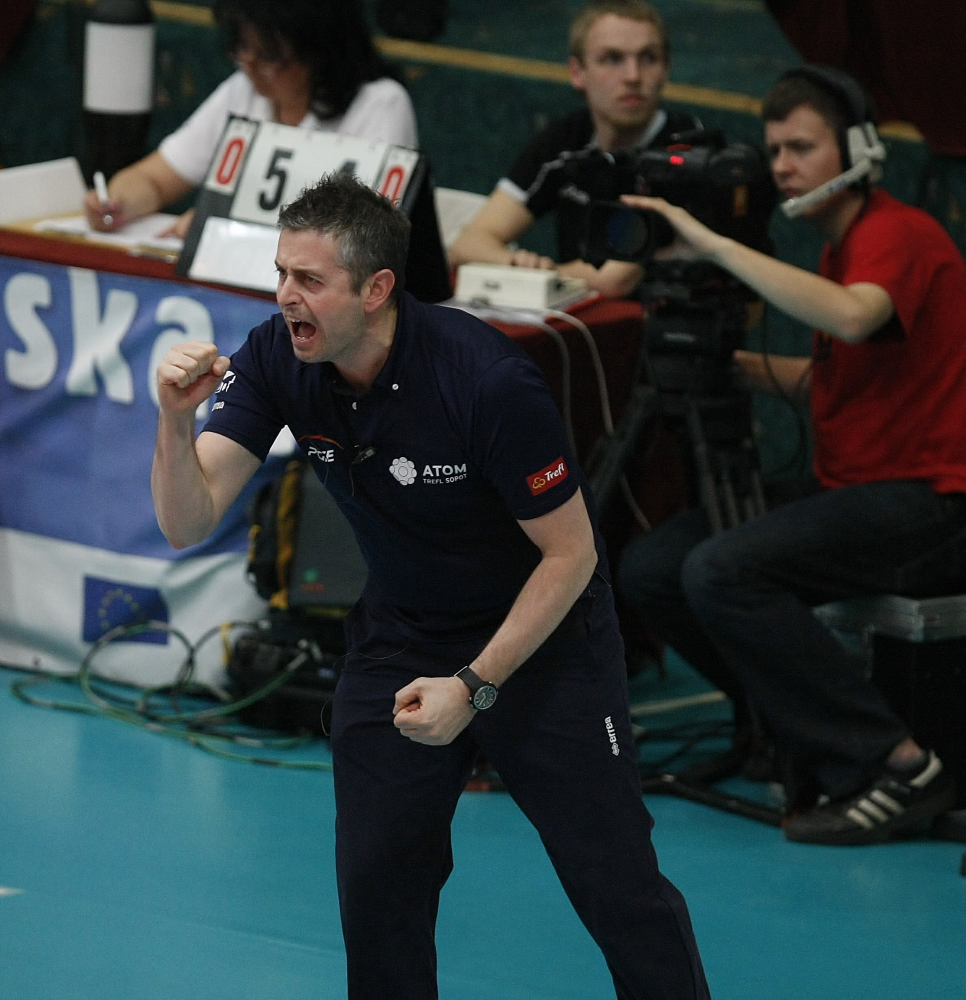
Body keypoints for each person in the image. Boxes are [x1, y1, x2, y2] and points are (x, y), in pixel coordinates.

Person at [151, 173, 711, 1000]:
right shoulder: (278, 355)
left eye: (309, 280)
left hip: (544, 638)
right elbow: (186, 521)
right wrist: (173, 419)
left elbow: (571, 556)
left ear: (376, 289)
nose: (285, 296)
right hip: (405, 632)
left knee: (615, 882)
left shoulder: (485, 380)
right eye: (281, 273)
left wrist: (475, 686)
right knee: (377, 882)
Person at [617, 65, 966, 845]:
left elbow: (852, 318)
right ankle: (783, 725)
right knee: (653, 567)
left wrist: (713, 245)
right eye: (774, 150)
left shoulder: (896, 232)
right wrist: (724, 362)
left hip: (934, 501)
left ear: (860, 150)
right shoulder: (840, 248)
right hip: (853, 487)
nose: (782, 166)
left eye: (802, 148)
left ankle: (896, 764)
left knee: (724, 570)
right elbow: (830, 377)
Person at [84, 0, 417, 239]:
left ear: (319, 49)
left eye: (270, 54)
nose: (251, 65)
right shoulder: (242, 91)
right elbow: (155, 178)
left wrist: (222, 225)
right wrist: (118, 202)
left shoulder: (380, 105)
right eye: (242, 47)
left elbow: (366, 236)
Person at [448, 0, 699, 298]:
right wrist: (518, 265)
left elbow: (613, 280)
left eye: (648, 58)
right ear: (578, 72)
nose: (633, 76)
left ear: (666, 69)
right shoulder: (565, 139)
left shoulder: (686, 148)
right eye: (612, 59)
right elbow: (467, 244)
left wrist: (538, 275)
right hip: (577, 317)